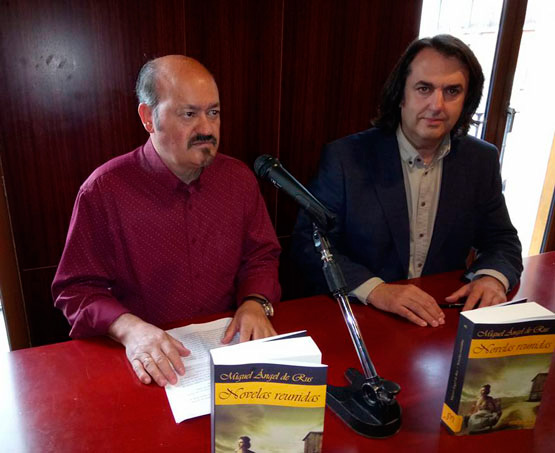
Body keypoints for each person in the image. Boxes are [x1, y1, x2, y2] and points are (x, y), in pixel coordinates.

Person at [52, 56, 281, 387]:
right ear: (148, 117)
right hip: (145, 361)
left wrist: (255, 302)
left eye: (213, 113)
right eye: (189, 114)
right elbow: (75, 290)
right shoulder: (104, 190)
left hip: (228, 349)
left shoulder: (238, 179)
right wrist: (129, 329)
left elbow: (261, 255)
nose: (207, 129)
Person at [292, 34, 522, 328]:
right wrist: (376, 290)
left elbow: (502, 240)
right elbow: (310, 244)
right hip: (365, 317)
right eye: (424, 89)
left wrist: (491, 277)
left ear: (467, 101)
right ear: (401, 94)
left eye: (452, 91)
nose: (437, 105)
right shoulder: (346, 158)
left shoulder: (480, 160)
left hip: (441, 317)